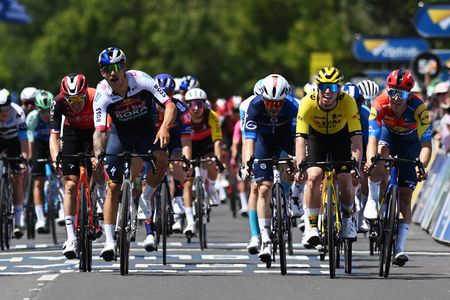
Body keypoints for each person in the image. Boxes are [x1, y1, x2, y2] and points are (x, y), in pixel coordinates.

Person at [92, 47, 176, 260]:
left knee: (162, 158)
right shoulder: (102, 93)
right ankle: (110, 241)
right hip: (120, 135)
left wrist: (165, 127)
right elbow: (100, 131)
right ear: (102, 72)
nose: (113, 73)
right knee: (113, 185)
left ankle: (146, 195)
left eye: (117, 67)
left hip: (146, 131)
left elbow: (169, 104)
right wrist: (98, 153)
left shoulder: (142, 80)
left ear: (125, 67)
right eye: (107, 69)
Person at [364, 69, 432, 266]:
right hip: (388, 136)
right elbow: (372, 139)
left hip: (410, 143)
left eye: (400, 94)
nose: (395, 98)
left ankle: (400, 247)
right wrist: (371, 160)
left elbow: (426, 145)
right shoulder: (379, 103)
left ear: (409, 95)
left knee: (405, 197)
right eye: (392, 92)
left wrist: (422, 165)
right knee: (379, 156)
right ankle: (373, 200)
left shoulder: (419, 109)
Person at [295, 67, 363, 248]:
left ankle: (348, 219)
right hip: (316, 138)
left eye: (332, 87)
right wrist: (300, 165)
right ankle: (311, 227)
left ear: (339, 90)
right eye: (323, 86)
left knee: (346, 181)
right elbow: (300, 138)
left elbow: (356, 138)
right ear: (317, 87)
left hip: (340, 138)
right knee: (314, 176)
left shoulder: (348, 102)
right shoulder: (307, 103)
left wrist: (356, 164)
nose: (327, 91)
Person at [240, 74, 298, 262]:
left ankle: (293, 197)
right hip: (263, 141)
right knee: (263, 186)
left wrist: (298, 160)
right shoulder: (253, 106)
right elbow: (249, 140)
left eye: (278, 103)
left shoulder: (293, 106)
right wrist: (248, 163)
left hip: (285, 137)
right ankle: (264, 238)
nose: (273, 107)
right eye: (269, 103)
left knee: (297, 169)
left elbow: (299, 138)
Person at [50, 73, 107, 259]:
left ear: (85, 94)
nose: (74, 103)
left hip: (94, 131)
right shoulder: (57, 102)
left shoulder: (96, 95)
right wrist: (55, 157)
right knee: (71, 184)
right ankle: (71, 238)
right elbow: (54, 134)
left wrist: (97, 155)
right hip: (72, 133)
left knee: (98, 169)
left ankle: (100, 200)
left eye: (78, 99)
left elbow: (103, 129)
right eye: (70, 99)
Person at [153, 73, 192, 234]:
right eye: (159, 94)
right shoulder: (148, 107)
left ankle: (177, 197)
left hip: (175, 138)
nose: (163, 98)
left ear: (172, 94)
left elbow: (186, 142)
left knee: (178, 162)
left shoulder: (182, 110)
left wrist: (186, 162)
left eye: (167, 94)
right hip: (153, 136)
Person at [182, 87, 223, 237]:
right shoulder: (184, 116)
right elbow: (182, 140)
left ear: (204, 104)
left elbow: (217, 140)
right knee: (187, 183)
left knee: (211, 160)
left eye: (199, 104)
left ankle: (211, 188)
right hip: (190, 144)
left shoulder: (212, 116)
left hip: (206, 143)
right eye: (192, 104)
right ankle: (190, 222)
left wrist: (217, 158)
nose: (196, 108)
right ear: (187, 105)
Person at [0, 88, 28, 239]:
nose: (3, 113)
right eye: (0, 109)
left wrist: (24, 158)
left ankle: (18, 221)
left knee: (18, 178)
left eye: (6, 108)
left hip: (14, 142)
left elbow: (24, 139)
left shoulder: (18, 113)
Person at [26, 90, 53, 234]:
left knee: (64, 175)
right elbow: (29, 137)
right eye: (42, 111)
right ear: (37, 109)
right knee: (38, 182)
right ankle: (41, 218)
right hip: (38, 144)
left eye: (48, 111)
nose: (46, 115)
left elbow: (60, 137)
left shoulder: (57, 116)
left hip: (53, 142)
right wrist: (30, 157)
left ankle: (62, 209)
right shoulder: (32, 118)